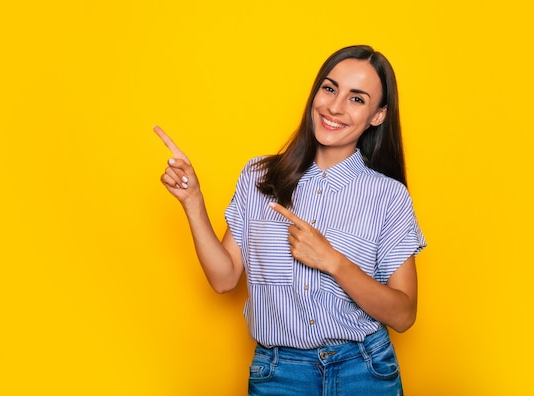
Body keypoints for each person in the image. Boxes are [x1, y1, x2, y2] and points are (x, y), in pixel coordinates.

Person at [155, 44, 426, 396]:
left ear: (378, 115)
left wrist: (333, 261)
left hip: (364, 371)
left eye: (357, 99)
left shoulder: (388, 196)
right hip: (278, 374)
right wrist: (192, 201)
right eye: (330, 88)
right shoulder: (258, 177)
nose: (335, 106)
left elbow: (404, 315)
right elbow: (223, 279)